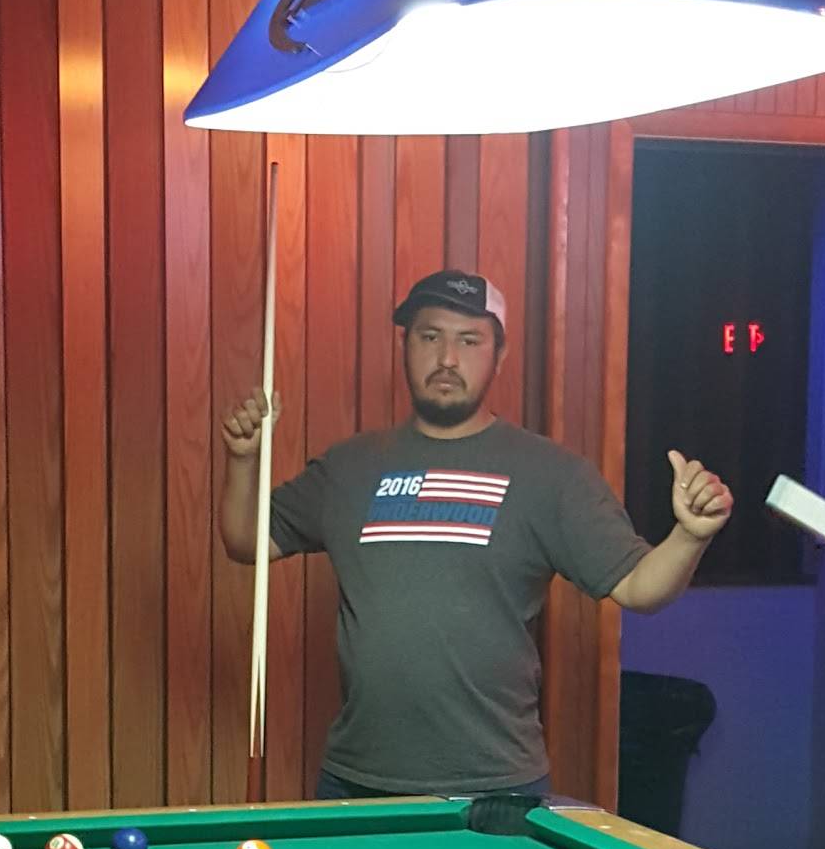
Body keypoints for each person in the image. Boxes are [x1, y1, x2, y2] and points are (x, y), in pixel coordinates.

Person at [219, 270, 733, 799]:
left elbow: (640, 587)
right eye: (430, 336)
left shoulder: (551, 475)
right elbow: (244, 540)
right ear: (404, 345)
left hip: (494, 786)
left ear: (499, 356)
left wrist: (690, 536)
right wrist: (242, 460)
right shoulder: (348, 469)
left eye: (469, 341)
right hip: (355, 781)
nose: (447, 358)